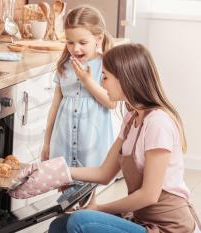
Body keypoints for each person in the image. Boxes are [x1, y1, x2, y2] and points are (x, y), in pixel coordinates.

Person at [48, 43, 201, 233]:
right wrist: (58, 170)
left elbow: (149, 195)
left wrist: (100, 209)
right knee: (59, 225)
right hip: (142, 220)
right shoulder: (131, 118)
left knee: (80, 221)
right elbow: (104, 173)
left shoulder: (157, 123)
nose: (102, 83)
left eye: (105, 77)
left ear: (124, 79)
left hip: (169, 228)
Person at [41, 5, 116, 169]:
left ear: (98, 38)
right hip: (63, 141)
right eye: (70, 42)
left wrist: (87, 81)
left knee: (88, 190)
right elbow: (54, 107)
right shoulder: (64, 66)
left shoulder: (106, 65)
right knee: (66, 186)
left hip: (93, 144)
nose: (75, 49)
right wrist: (46, 143)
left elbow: (111, 103)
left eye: (83, 42)